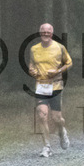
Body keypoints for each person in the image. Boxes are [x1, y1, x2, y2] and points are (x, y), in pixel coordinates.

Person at [27, 22, 72, 157]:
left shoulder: (59, 47)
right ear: (40, 33)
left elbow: (69, 63)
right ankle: (47, 146)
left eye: (48, 32)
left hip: (56, 86)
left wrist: (58, 71)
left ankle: (62, 131)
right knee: (42, 115)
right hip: (41, 86)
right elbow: (32, 64)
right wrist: (32, 70)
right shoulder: (34, 49)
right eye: (43, 32)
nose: (45, 34)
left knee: (57, 118)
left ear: (52, 33)